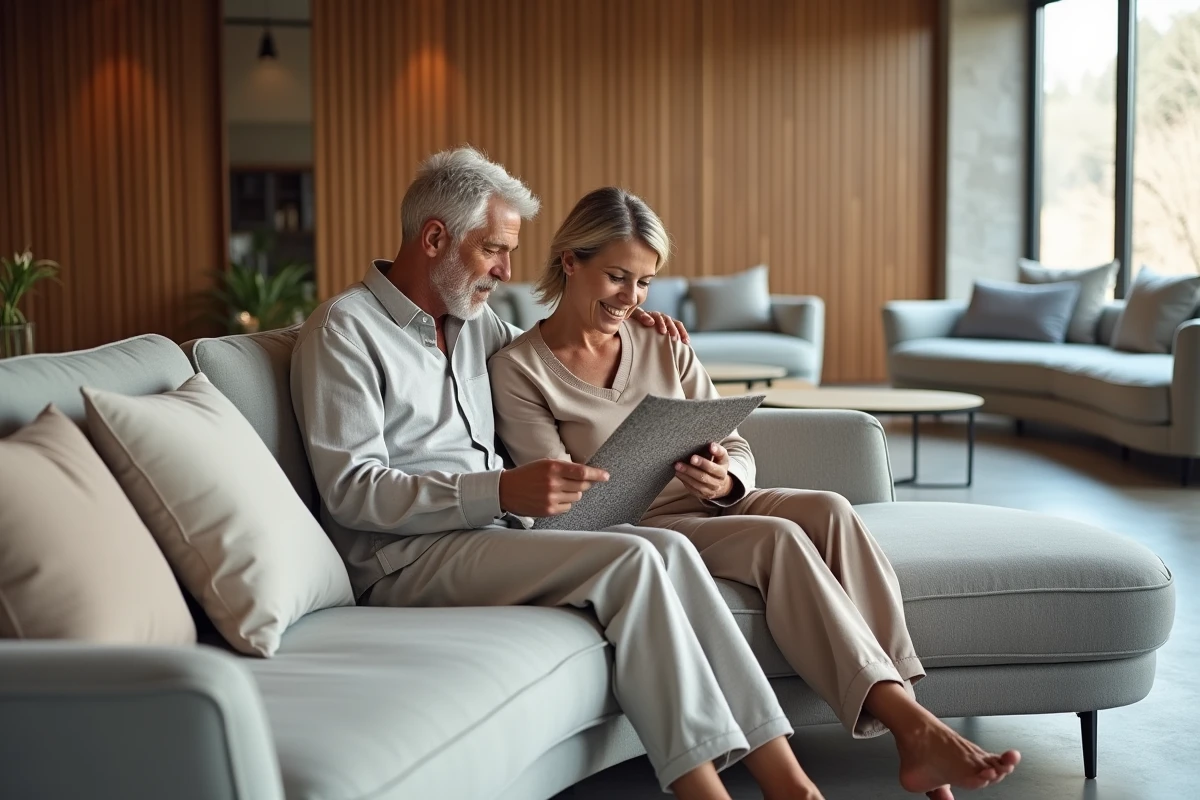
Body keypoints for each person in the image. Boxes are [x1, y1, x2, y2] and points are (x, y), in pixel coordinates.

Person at [291, 147, 829, 800]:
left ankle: (789, 782)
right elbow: (352, 492)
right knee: (631, 561)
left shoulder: (476, 324)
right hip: (403, 557)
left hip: (498, 535)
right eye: (494, 250)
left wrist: (631, 327)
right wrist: (499, 489)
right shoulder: (344, 332)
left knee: (661, 545)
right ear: (435, 238)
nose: (507, 269)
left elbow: (554, 343)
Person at [488, 186, 1023, 800]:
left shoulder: (664, 342)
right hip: (639, 525)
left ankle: (911, 719)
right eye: (616, 277)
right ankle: (915, 732)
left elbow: (736, 442)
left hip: (713, 500)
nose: (630, 298)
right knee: (778, 538)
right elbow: (561, 501)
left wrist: (726, 476)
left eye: (644, 283)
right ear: (569, 262)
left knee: (830, 508)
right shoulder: (520, 369)